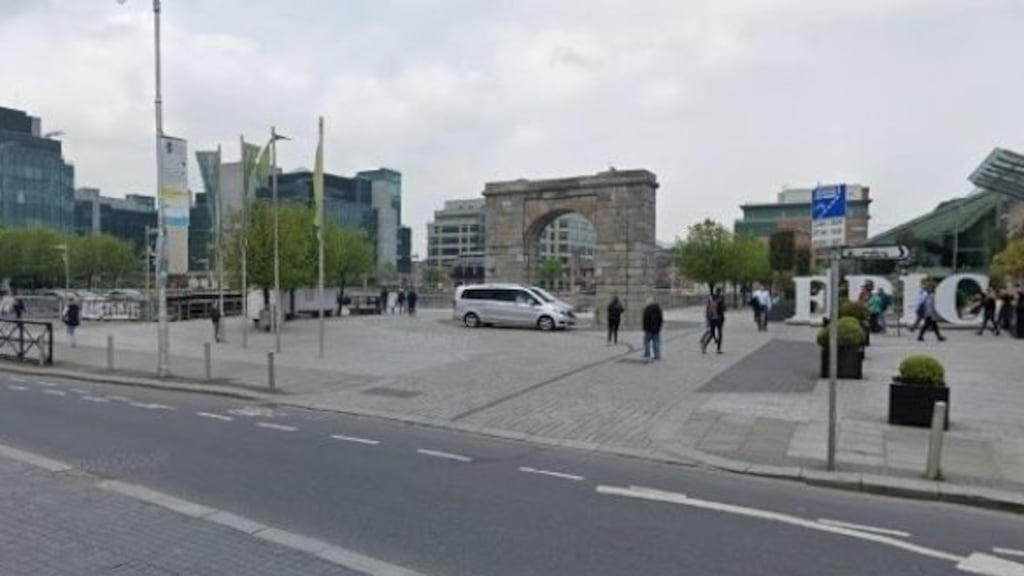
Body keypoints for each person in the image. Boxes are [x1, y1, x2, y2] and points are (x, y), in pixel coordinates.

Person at [700, 288, 726, 354]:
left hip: (711, 318)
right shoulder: (721, 298)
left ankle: (704, 347)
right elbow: (723, 308)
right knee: (720, 334)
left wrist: (707, 316)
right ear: (720, 292)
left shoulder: (710, 298)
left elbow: (707, 308)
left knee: (712, 333)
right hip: (719, 318)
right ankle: (718, 349)